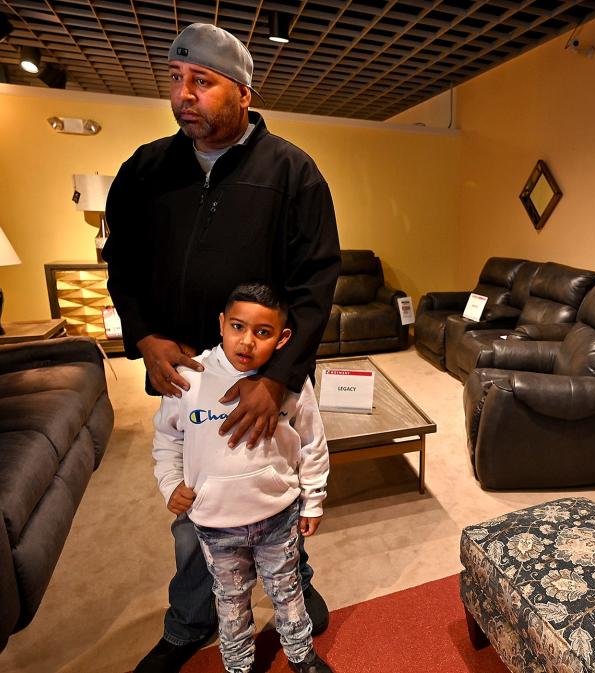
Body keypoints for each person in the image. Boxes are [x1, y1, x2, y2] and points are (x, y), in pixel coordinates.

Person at [103, 22, 341, 673]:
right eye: (176, 80)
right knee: (195, 503)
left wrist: (280, 378)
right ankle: (191, 617)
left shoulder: (293, 172)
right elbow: (119, 263)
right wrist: (144, 336)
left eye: (201, 82)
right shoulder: (145, 170)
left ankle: (293, 579)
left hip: (264, 378)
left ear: (242, 90)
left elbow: (316, 283)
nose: (184, 95)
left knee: (275, 484)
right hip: (186, 378)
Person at [153, 282, 333, 673]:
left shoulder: (292, 384)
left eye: (262, 332)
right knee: (231, 602)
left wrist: (314, 498)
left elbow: (313, 443)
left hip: (278, 516)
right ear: (221, 323)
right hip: (216, 523)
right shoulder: (188, 379)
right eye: (237, 327)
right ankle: (239, 666)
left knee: (288, 592)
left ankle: (303, 656)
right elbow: (167, 439)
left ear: (283, 338)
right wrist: (170, 484)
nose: (247, 342)